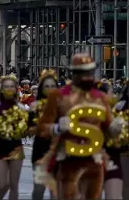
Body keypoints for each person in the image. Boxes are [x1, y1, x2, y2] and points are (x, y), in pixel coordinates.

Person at [37, 53, 125, 200]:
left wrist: (115, 128)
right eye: (81, 72)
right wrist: (57, 128)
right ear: (73, 73)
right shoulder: (58, 96)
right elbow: (42, 128)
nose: (86, 77)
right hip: (68, 160)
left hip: (94, 160)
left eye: (89, 72)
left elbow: (108, 126)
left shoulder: (100, 97)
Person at [0, 74, 27, 200]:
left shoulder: (21, 108)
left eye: (11, 86)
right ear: (2, 89)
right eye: (6, 86)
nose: (9, 89)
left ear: (16, 89)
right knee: (1, 184)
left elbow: (25, 130)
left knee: (13, 185)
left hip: (15, 147)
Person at [27, 69, 58, 200]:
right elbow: (28, 131)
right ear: (41, 88)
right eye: (47, 86)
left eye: (52, 86)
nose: (50, 89)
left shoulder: (62, 105)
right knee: (39, 189)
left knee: (55, 191)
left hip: (58, 151)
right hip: (40, 150)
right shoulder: (35, 106)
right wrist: (40, 126)